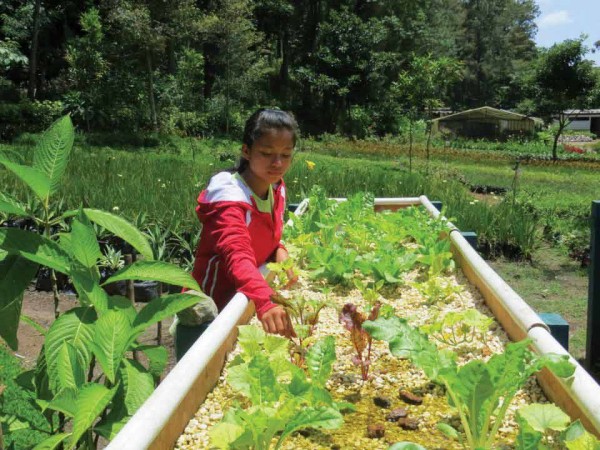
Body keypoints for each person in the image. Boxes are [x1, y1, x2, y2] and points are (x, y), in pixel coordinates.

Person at [174, 108, 298, 360]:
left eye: (285, 155)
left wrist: (279, 249)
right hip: (210, 309)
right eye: (266, 153)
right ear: (246, 151)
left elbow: (268, 233)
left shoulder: (275, 188)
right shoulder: (229, 197)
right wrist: (265, 301)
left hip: (245, 297)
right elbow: (237, 254)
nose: (277, 164)